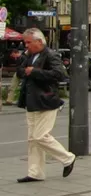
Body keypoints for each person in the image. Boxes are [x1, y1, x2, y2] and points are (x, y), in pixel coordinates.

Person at [15, 28, 76, 183]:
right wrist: (25, 67)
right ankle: (35, 173)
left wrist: (34, 71)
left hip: (46, 101)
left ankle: (68, 158)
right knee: (32, 139)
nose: (25, 45)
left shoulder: (51, 55)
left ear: (39, 41)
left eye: (28, 42)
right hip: (31, 101)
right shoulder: (29, 55)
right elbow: (20, 71)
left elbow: (60, 75)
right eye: (25, 42)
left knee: (40, 136)